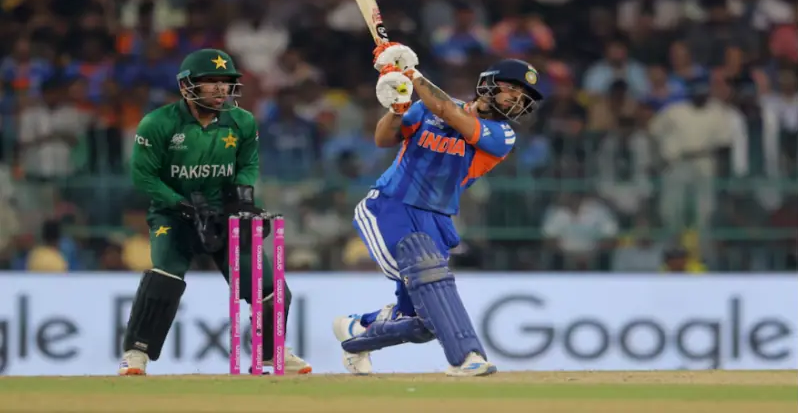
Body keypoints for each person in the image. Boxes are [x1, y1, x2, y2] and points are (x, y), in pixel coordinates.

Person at [332, 42, 542, 376]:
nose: (517, 98)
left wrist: (411, 72)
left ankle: (358, 332)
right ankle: (466, 357)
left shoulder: (502, 135)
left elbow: (450, 113)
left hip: (435, 219)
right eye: (512, 88)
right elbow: (383, 139)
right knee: (430, 283)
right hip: (391, 206)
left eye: (523, 94)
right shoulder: (429, 108)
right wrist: (398, 109)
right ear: (488, 83)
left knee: (422, 322)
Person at [118, 48, 311, 376]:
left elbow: (248, 163)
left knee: (269, 286)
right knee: (165, 274)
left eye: (226, 81)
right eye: (211, 82)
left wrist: (243, 198)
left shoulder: (242, 121)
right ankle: (136, 353)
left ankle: (269, 353)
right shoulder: (158, 123)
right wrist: (184, 206)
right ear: (188, 85)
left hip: (223, 214)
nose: (221, 89)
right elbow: (143, 177)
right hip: (173, 213)